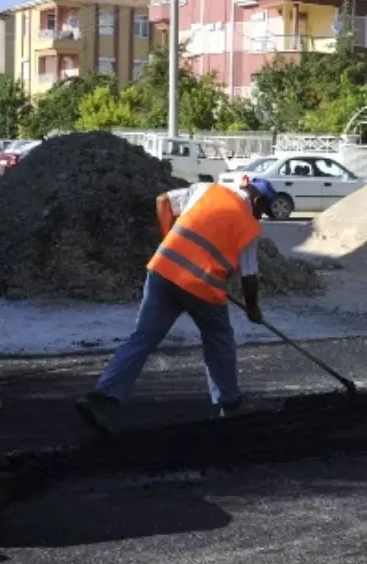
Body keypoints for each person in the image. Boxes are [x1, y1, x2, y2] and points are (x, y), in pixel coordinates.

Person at [75, 175, 277, 433]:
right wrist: (253, 310)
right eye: (263, 210)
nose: (261, 217)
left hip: (163, 271)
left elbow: (163, 201)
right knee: (219, 340)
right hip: (201, 287)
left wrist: (168, 240)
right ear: (256, 198)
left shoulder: (206, 190)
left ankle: (102, 399)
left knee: (142, 337)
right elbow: (249, 276)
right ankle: (230, 405)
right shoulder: (247, 226)